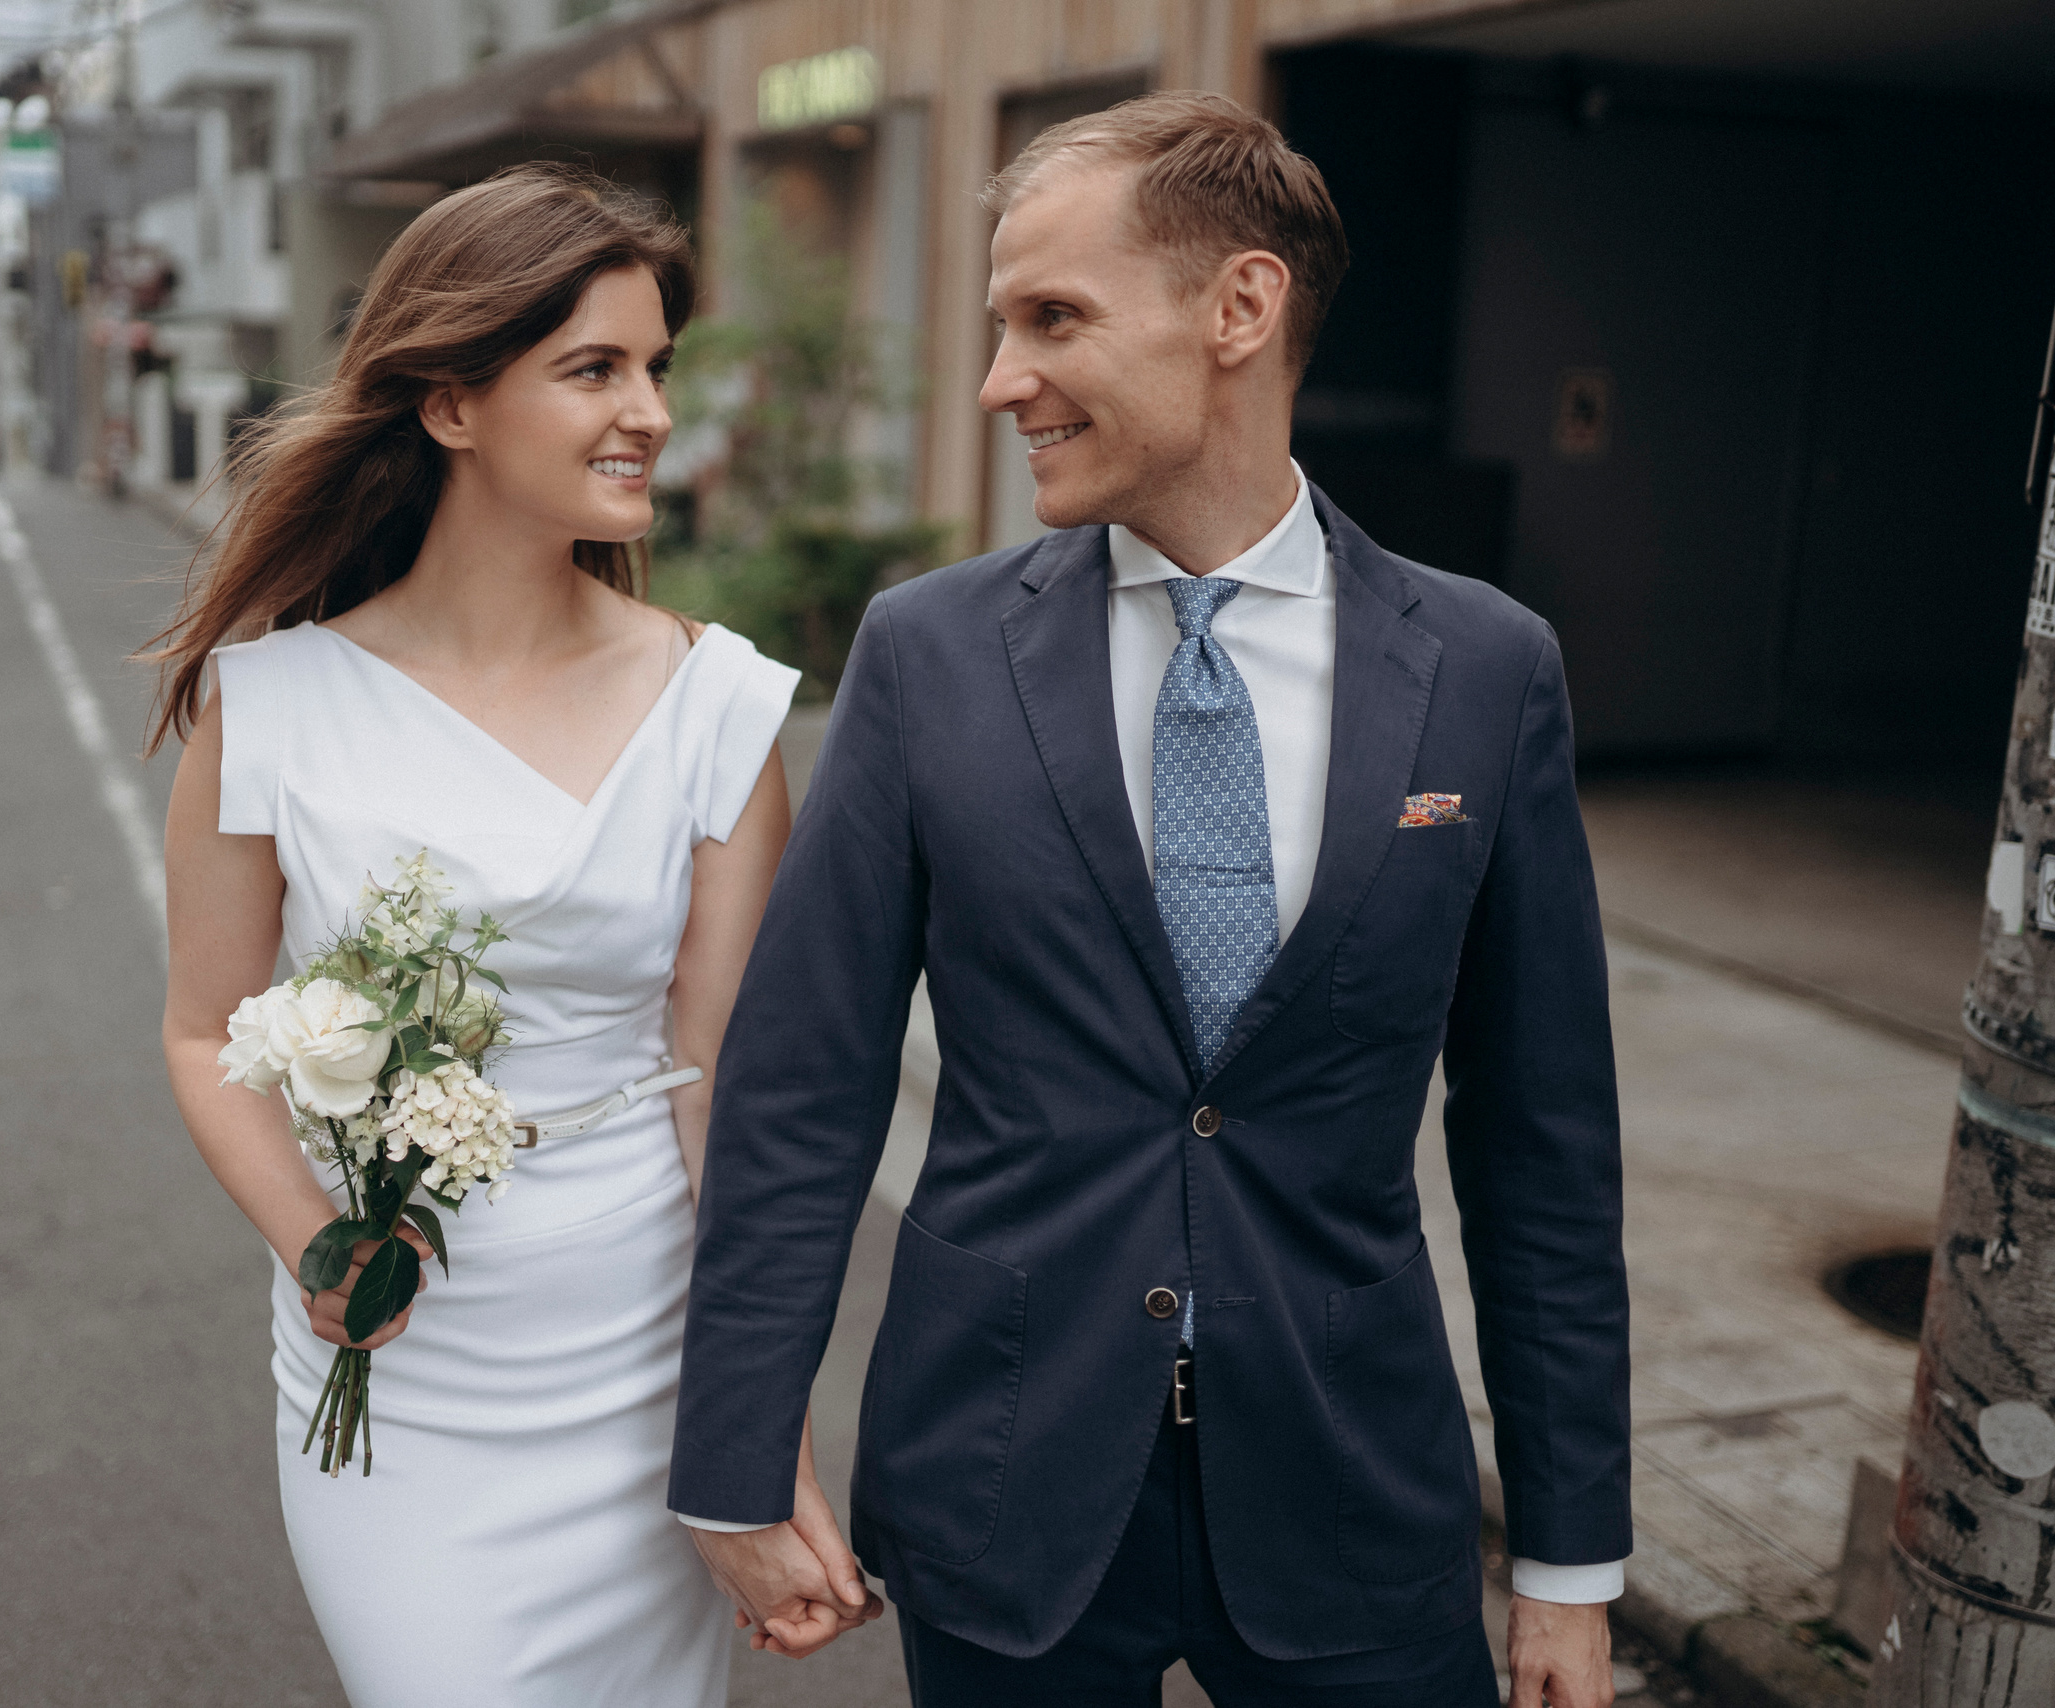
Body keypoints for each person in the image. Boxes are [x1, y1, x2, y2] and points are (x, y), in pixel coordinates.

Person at [671, 94, 1630, 1708]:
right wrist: (740, 1462)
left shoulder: (1483, 669)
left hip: (1353, 1497)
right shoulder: (926, 657)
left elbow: (1543, 1143)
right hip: (1001, 1483)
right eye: (998, 325)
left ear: (1239, 309)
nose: (999, 383)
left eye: (1054, 320)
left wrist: (1567, 1567)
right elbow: (802, 1088)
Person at [150, 165, 860, 1706]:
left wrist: (759, 1442)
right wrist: (317, 1246)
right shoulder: (268, 706)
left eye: (657, 366)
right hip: (398, 1376)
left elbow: (722, 1081)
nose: (652, 412)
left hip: (637, 1359)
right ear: (451, 403)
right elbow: (205, 1031)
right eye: (593, 369)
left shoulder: (720, 708)